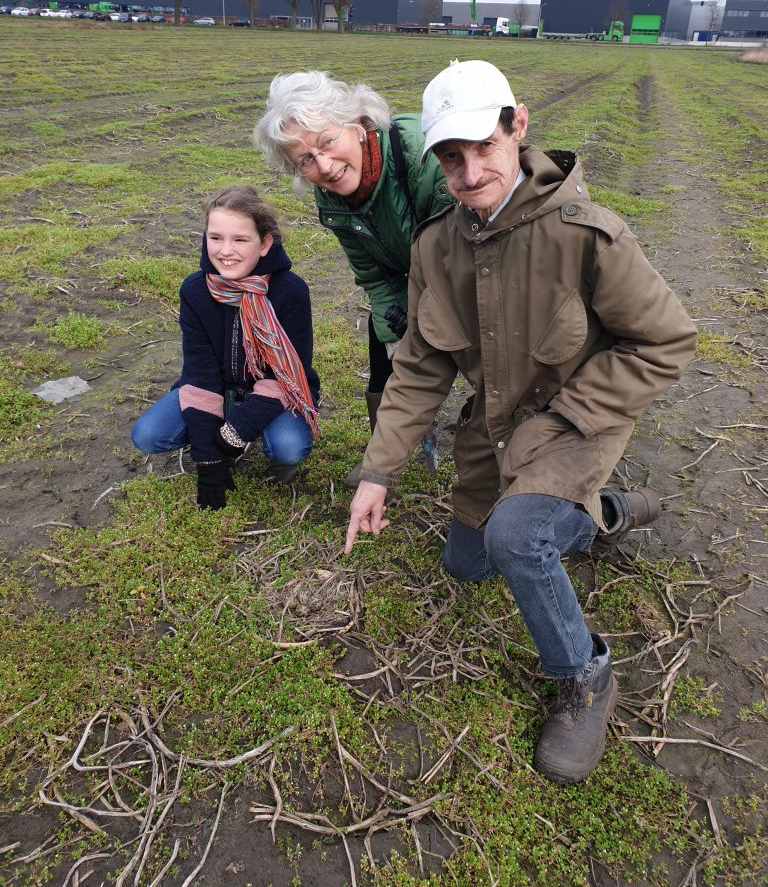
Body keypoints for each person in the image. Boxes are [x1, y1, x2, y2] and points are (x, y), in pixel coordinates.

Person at [345, 59, 698, 785]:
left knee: (514, 534)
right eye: (451, 157)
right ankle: (598, 517)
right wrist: (377, 471)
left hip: (578, 422)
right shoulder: (435, 247)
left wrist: (572, 413)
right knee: (468, 564)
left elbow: (666, 342)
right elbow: (418, 368)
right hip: (496, 422)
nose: (469, 173)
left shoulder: (588, 235)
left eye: (483, 148)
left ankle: (585, 676)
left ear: (519, 126)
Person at [253, 70, 454, 486]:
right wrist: (397, 333)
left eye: (327, 141)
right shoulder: (332, 199)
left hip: (469, 276)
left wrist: (425, 314)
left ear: (358, 125)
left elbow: (463, 257)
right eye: (305, 160)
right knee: (384, 339)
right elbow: (375, 278)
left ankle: (501, 454)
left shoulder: (422, 158)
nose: (324, 166)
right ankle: (386, 455)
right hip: (413, 274)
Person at [131, 184, 320, 509]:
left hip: (278, 390)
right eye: (215, 238)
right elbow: (200, 375)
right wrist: (208, 461)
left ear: (264, 244)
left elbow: (287, 376)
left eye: (240, 239)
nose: (225, 250)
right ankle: (214, 426)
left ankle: (269, 449)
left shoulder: (291, 292)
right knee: (148, 434)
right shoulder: (195, 291)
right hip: (217, 388)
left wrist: (232, 436)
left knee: (288, 445)